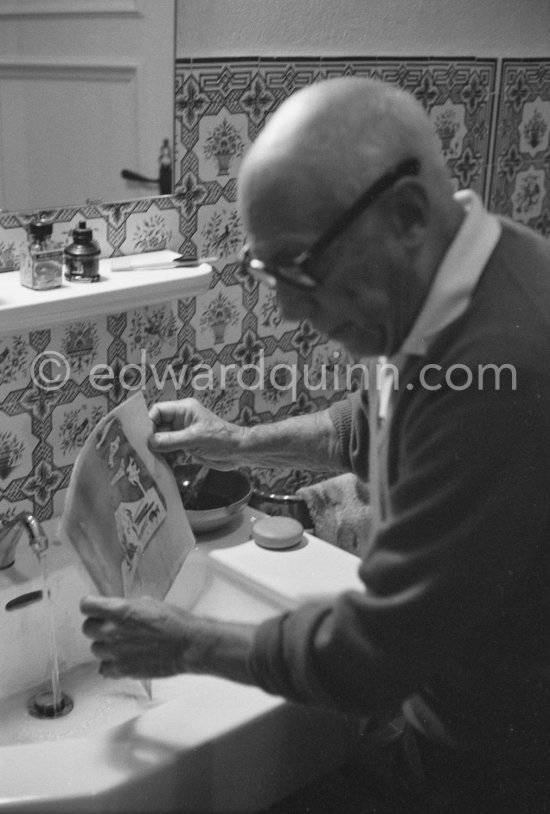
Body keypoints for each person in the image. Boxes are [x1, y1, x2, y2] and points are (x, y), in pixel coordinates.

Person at [80, 77, 550, 812]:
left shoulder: (505, 368)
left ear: (407, 214)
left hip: (502, 765)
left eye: (301, 270)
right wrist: (235, 442)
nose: (293, 311)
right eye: (270, 275)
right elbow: (370, 424)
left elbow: (374, 656)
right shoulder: (448, 288)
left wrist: (185, 644)